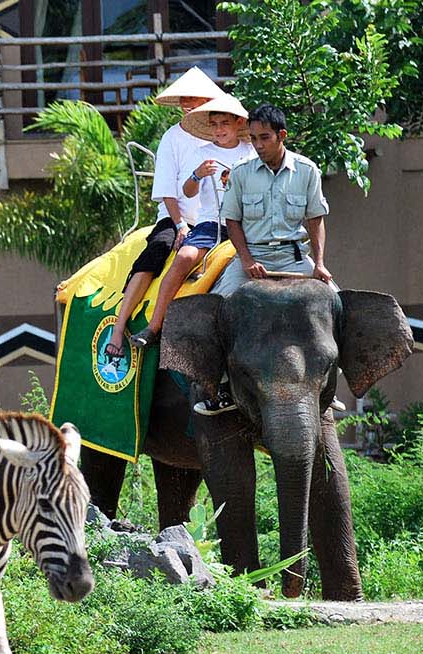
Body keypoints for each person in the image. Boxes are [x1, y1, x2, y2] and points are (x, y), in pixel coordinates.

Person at [196, 103, 332, 415]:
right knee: (215, 310)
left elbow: (316, 219)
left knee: (337, 305)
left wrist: (320, 263)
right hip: (252, 258)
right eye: (254, 138)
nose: (257, 145)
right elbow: (232, 221)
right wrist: (245, 261)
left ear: (281, 135)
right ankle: (219, 387)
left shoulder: (307, 171)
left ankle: (329, 385)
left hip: (294, 258)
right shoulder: (242, 173)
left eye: (264, 138)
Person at [103, 68, 225, 358]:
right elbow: (168, 189)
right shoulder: (173, 138)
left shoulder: (227, 137)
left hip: (221, 218)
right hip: (180, 216)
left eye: (194, 99)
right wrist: (181, 224)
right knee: (159, 248)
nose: (188, 105)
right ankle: (119, 329)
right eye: (185, 99)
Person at [126, 93, 254, 350]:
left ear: (238, 123)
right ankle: (154, 326)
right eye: (214, 124)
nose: (219, 130)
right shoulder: (202, 153)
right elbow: (187, 192)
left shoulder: (251, 153)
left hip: (247, 224)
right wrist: (196, 175)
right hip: (211, 223)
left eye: (225, 124)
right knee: (184, 257)